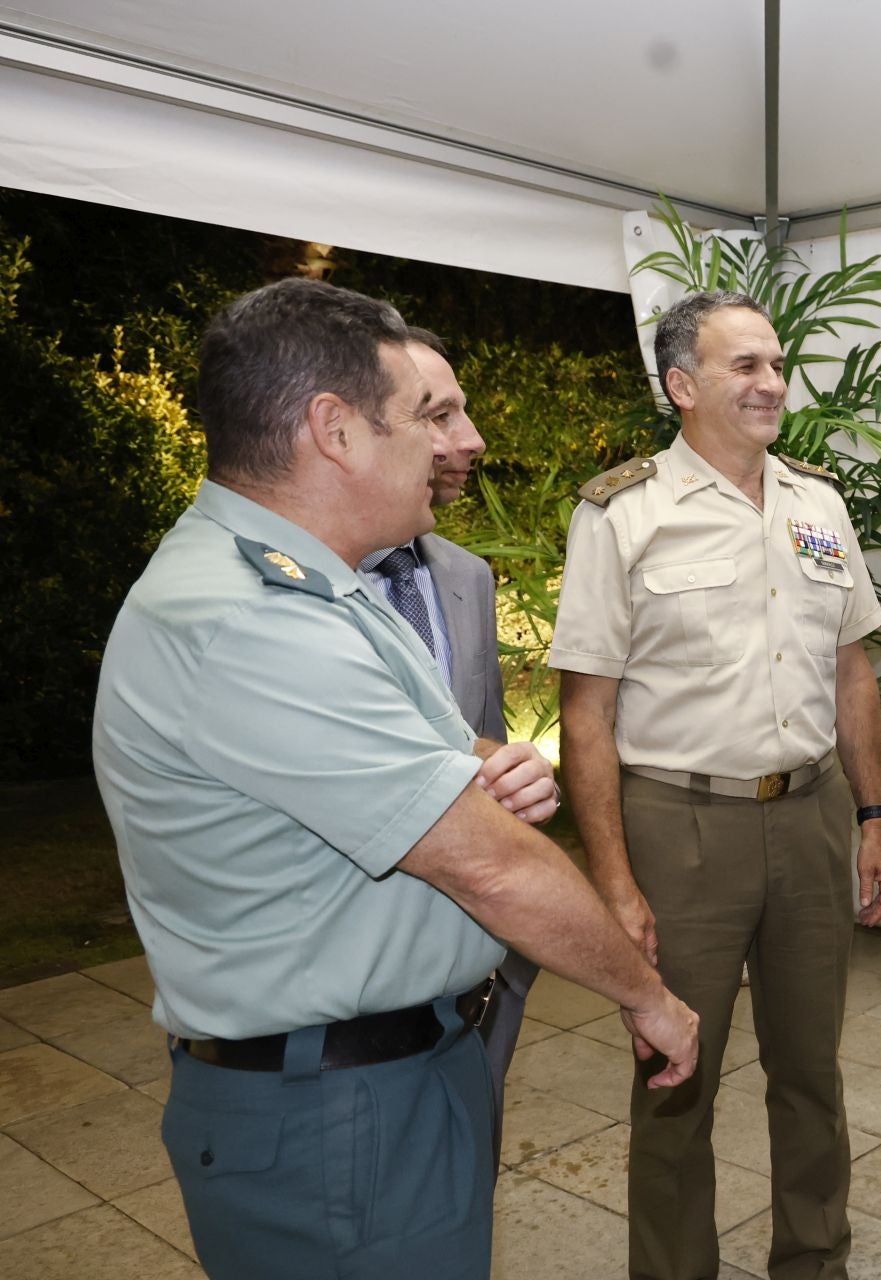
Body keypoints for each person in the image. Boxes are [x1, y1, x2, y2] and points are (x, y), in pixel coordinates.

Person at [91, 277, 698, 1280]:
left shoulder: (314, 583)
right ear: (335, 429)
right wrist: (647, 996)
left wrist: (468, 771)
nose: (448, 445)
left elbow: (423, 762)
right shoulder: (255, 618)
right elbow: (494, 866)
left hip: (376, 1081)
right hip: (337, 1117)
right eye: (421, 415)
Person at [549, 290, 881, 1280]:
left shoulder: (816, 502)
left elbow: (851, 673)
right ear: (682, 385)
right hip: (679, 826)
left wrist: (873, 819)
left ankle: (814, 1260)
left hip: (811, 816)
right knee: (675, 1079)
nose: (773, 381)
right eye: (745, 365)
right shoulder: (623, 512)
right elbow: (586, 712)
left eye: (776, 362)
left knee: (812, 1072)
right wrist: (613, 879)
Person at [356, 327, 538, 1145]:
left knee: (465, 1170)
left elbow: (485, 743)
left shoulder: (465, 574)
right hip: (353, 1000)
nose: (471, 440)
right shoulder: (295, 598)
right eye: (439, 414)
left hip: (477, 969)